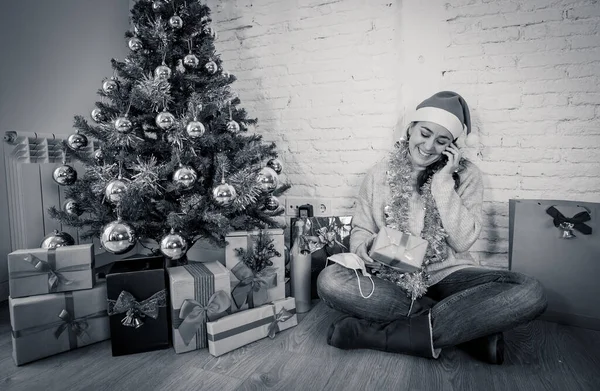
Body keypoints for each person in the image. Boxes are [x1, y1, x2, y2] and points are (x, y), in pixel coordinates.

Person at [316, 91, 547, 364]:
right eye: (424, 133)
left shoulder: (467, 175)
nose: (428, 146)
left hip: (450, 276)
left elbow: (463, 241)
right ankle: (467, 330)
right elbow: (362, 230)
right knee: (330, 281)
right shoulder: (378, 173)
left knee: (530, 291)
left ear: (452, 146)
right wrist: (365, 248)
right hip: (394, 277)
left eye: (441, 141)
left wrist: (442, 183)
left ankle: (380, 334)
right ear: (410, 129)